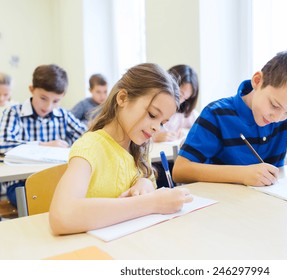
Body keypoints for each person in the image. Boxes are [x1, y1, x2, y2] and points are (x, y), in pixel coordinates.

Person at [49, 63, 193, 235]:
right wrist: (152, 203)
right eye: (152, 115)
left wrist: (145, 183)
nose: (157, 128)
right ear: (123, 98)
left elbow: (147, 187)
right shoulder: (90, 147)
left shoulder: (139, 147)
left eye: (162, 123)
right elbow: (62, 216)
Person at [172, 50, 287, 188]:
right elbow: (180, 170)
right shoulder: (216, 115)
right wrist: (243, 174)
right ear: (257, 81)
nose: (277, 117)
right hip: (224, 209)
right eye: (274, 105)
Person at [0, 64, 87, 206]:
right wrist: (43, 145)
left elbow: (88, 136)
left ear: (62, 97)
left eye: (56, 101)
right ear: (31, 89)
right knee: (46, 204)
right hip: (22, 184)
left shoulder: (63, 115)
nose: (48, 106)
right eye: (43, 98)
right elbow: (2, 143)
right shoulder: (14, 112)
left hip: (58, 181)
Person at [152, 64, 199, 142]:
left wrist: (186, 132)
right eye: (180, 95)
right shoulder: (151, 108)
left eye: (186, 98)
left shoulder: (187, 114)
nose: (181, 101)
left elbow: (203, 131)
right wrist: (154, 138)